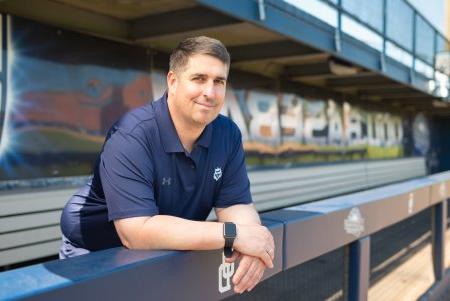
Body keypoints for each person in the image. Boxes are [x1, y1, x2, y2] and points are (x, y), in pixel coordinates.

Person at [60, 36, 275, 294]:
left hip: (164, 246)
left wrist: (252, 241)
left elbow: (235, 204)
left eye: (219, 81)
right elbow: (136, 232)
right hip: (97, 249)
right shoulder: (133, 134)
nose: (210, 92)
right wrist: (234, 235)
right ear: (173, 81)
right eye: (199, 79)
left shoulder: (227, 134)